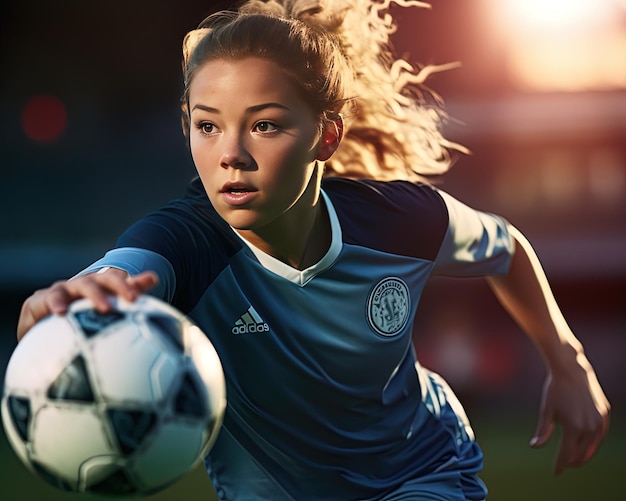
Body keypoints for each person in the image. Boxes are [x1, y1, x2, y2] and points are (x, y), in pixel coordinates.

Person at [17, 0, 610, 499]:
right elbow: (122, 270)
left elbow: (505, 246)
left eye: (266, 125)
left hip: (421, 473)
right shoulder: (184, 239)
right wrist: (64, 301)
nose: (231, 153)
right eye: (207, 126)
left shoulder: (398, 221)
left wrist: (569, 363)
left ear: (326, 134)